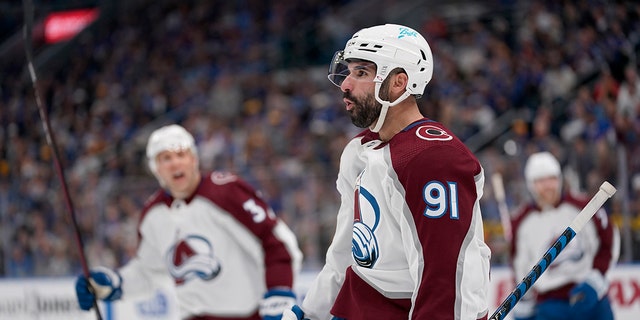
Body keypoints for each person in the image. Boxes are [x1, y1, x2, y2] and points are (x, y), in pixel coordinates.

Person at [283, 24, 491, 320]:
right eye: (349, 71)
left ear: (398, 83)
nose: (346, 84)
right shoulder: (360, 151)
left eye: (362, 73)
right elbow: (347, 253)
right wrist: (308, 312)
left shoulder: (434, 159)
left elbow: (447, 274)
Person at [75, 124, 303, 320]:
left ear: (193, 159)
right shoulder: (153, 215)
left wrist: (279, 291)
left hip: (251, 315)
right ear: (156, 169)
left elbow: (276, 242)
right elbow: (149, 272)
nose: (175, 164)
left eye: (181, 155)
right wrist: (113, 284)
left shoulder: (226, 192)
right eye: (166, 158)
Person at [509, 151, 620, 320]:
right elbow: (520, 264)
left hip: (590, 297)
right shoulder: (521, 222)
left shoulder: (584, 206)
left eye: (551, 179)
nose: (547, 186)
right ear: (531, 184)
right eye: (540, 181)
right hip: (550, 306)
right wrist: (524, 301)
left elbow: (609, 241)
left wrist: (597, 278)